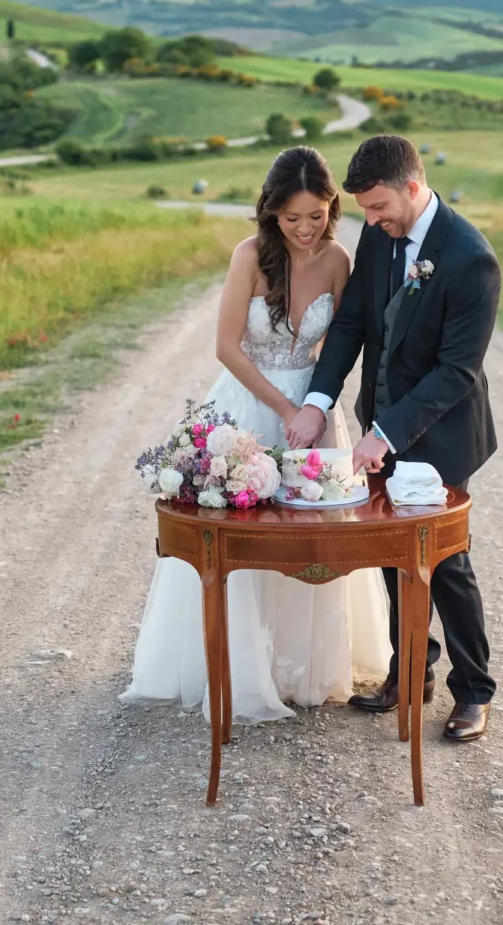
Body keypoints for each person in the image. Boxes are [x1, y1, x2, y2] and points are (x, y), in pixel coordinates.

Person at [122, 146, 390, 722]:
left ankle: (303, 665)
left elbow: (341, 344)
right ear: (270, 212)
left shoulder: (340, 260)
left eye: (315, 216)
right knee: (242, 531)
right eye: (291, 217)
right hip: (250, 405)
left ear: (331, 208)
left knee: (313, 536)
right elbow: (226, 347)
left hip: (315, 415)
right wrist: (285, 407)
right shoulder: (249, 255)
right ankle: (239, 666)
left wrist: (314, 409)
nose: (303, 228)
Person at [288, 134, 499, 742]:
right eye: (365, 211)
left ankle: (475, 690)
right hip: (382, 422)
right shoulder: (380, 238)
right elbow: (353, 322)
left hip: (443, 432)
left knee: (444, 560)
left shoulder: (470, 258)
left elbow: (456, 372)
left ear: (412, 186)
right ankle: (411, 672)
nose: (372, 221)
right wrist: (317, 400)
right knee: (388, 550)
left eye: (379, 207)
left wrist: (386, 433)